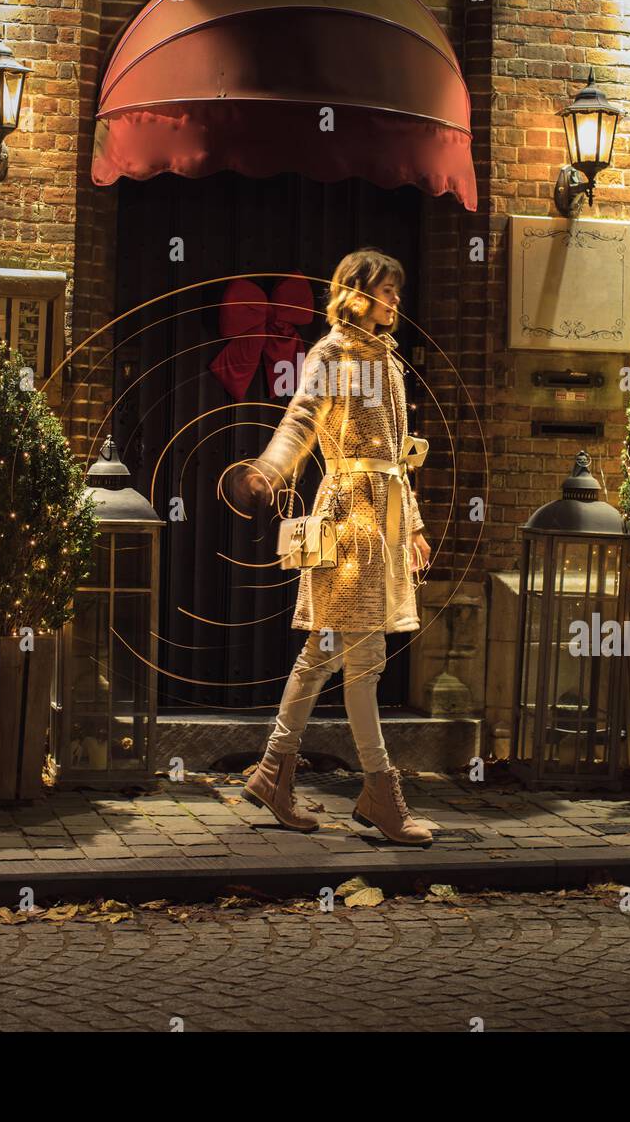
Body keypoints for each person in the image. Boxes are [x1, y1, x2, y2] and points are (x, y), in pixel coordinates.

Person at [231, 249, 434, 847]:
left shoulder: (387, 360)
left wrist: (414, 526)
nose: (396, 300)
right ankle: (379, 793)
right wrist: (269, 469)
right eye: (385, 290)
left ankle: (274, 773)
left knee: (324, 656)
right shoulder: (331, 354)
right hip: (348, 523)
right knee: (360, 661)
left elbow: (396, 458)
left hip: (385, 520)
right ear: (354, 292)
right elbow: (299, 421)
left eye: (397, 290)